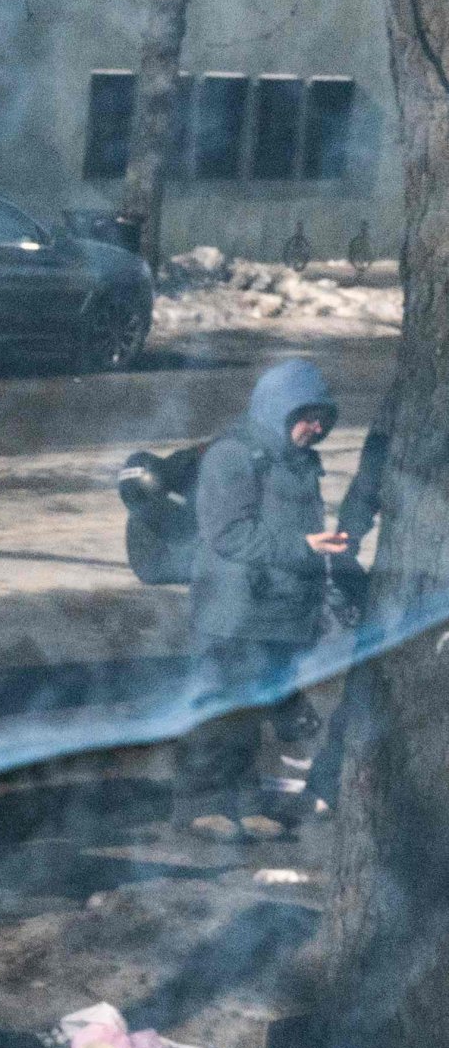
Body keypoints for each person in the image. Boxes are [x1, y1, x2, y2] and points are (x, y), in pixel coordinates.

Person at [181, 355, 348, 839]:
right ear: (278, 409)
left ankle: (246, 802)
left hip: (273, 609)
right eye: (306, 415)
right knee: (220, 712)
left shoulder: (298, 462)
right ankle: (200, 806)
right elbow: (227, 533)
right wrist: (303, 547)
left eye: (323, 418)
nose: (316, 427)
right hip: (231, 612)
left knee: (251, 713)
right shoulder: (232, 455)